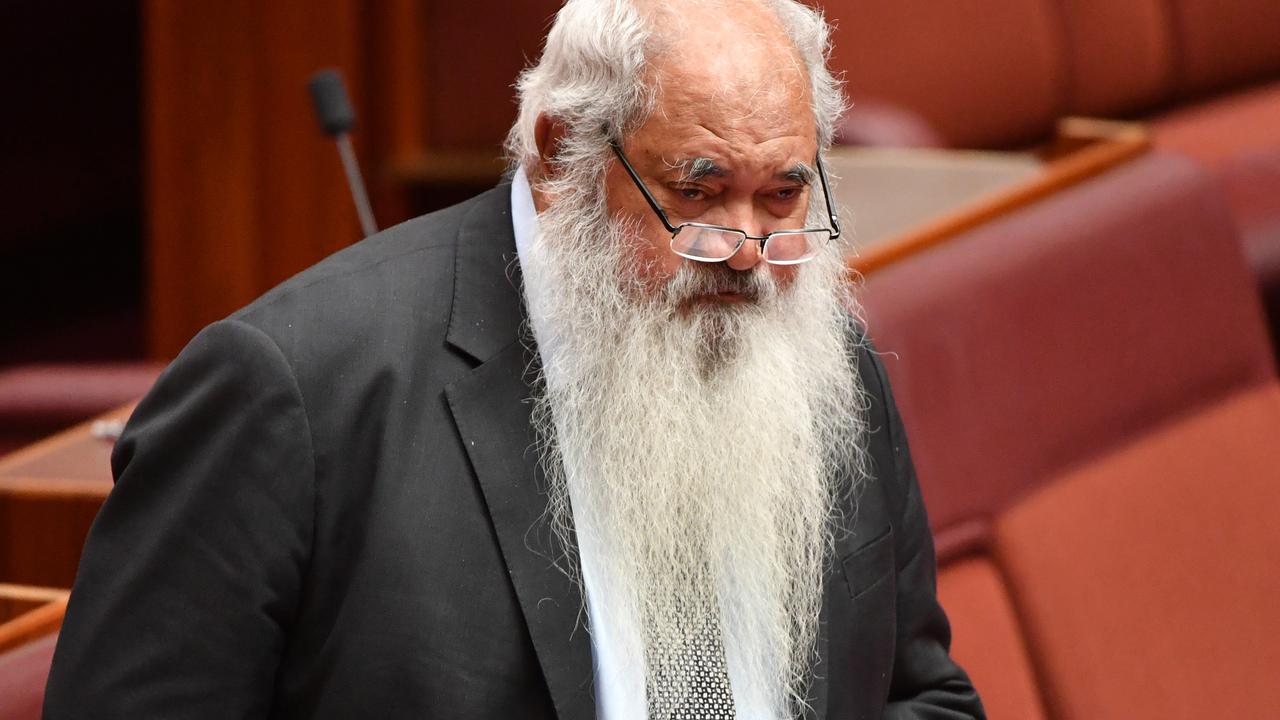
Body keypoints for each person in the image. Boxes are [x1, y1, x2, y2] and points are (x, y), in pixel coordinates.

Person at [45, 0, 983, 717]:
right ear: (559, 151)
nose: (746, 251)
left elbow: (918, 692)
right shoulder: (294, 395)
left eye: (781, 196)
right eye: (697, 192)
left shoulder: (817, 352)